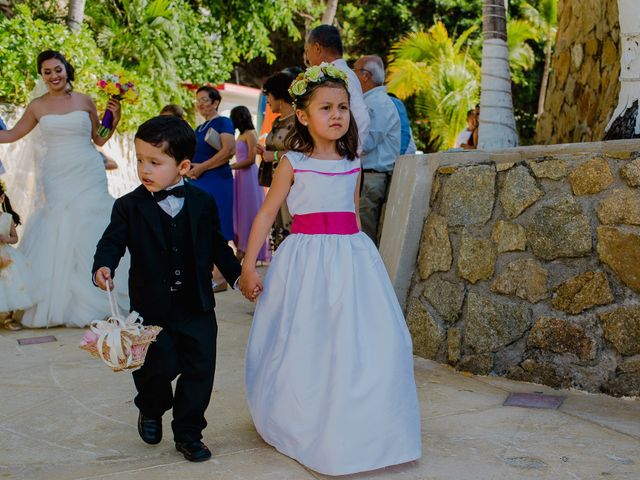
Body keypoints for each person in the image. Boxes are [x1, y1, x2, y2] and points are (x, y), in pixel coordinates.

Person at [239, 64, 421, 476]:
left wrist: (364, 267)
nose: (337, 115)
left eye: (343, 107)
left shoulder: (351, 164)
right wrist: (248, 267)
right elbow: (266, 215)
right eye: (326, 108)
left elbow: (352, 215)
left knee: (368, 342)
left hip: (351, 259)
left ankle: (364, 423)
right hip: (304, 261)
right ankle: (301, 415)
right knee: (306, 338)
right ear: (303, 116)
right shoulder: (293, 163)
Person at [92, 115, 242, 463]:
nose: (144, 168)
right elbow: (111, 243)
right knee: (155, 370)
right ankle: (151, 406)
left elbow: (218, 245)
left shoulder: (203, 203)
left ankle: (189, 433)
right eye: (140, 159)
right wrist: (104, 265)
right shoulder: (128, 206)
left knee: (199, 370)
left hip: (197, 306)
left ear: (183, 166)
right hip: (151, 308)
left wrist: (237, 277)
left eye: (154, 162)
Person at [0, 50, 127, 328]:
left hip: (88, 169)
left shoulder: (85, 100)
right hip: (57, 173)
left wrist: (112, 119)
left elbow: (100, 138)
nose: (54, 76)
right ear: (42, 76)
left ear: (66, 70)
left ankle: (102, 291)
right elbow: (10, 134)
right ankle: (59, 301)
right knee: (60, 223)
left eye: (57, 69)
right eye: (47, 72)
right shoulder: (37, 106)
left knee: (92, 222)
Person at [190, 85, 236, 292]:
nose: (200, 104)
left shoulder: (223, 122)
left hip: (216, 179)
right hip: (198, 179)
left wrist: (201, 168)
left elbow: (228, 150)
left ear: (216, 102)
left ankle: (220, 276)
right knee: (200, 225)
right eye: (197, 100)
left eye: (204, 99)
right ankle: (207, 273)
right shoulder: (199, 127)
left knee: (218, 224)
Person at [354, 55, 401, 245]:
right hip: (369, 176)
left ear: (365, 76)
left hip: (372, 178)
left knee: (365, 234)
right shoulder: (373, 101)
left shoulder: (378, 103)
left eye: (354, 71)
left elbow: (366, 142)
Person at [304, 24, 370, 149]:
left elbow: (361, 117)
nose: (307, 58)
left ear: (317, 48)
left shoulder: (340, 75)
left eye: (307, 51)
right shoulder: (345, 73)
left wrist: (342, 152)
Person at [256, 71, 297, 250]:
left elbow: (301, 151)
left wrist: (271, 156)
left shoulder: (298, 122)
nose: (268, 101)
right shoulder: (277, 122)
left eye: (269, 96)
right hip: (275, 182)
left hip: (291, 183)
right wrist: (266, 152)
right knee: (277, 224)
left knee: (290, 225)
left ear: (280, 97)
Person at [229, 105, 270, 263]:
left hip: (248, 175)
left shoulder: (250, 134)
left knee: (249, 211)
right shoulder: (241, 135)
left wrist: (231, 166)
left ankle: (248, 249)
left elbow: (251, 159)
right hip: (240, 175)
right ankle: (242, 247)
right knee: (241, 212)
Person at [0, 181, 32, 330]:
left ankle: (9, 317)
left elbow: (15, 238)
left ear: (1, 199)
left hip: (5, 254)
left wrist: (6, 239)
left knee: (10, 284)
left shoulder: (7, 218)